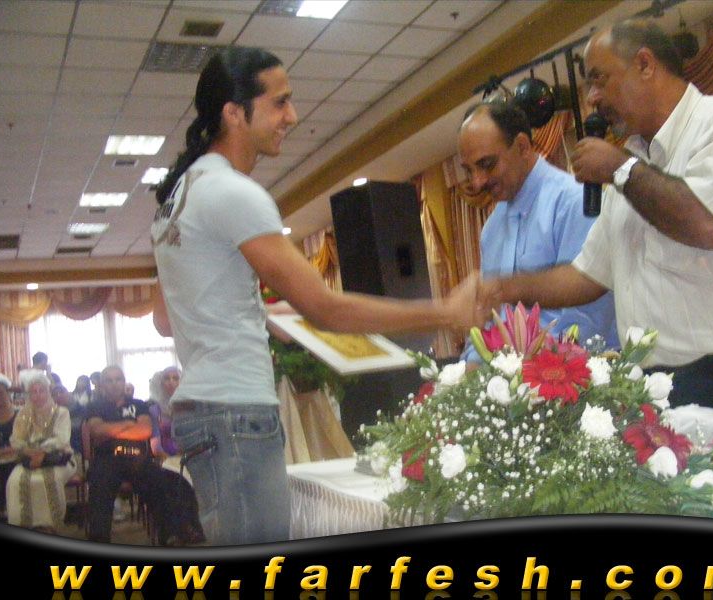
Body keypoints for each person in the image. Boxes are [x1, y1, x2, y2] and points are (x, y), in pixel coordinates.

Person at [151, 46, 485, 546]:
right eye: (280, 103)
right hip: (236, 413)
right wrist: (443, 312)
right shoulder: (232, 192)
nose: (292, 116)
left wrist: (259, 313)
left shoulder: (177, 198)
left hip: (206, 413)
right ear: (234, 113)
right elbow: (325, 307)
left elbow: (165, 317)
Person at [480, 19, 713, 449]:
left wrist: (620, 169)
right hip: (662, 387)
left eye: (598, 80)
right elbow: (587, 275)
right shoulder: (632, 165)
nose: (592, 98)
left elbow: (706, 223)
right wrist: (501, 289)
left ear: (645, 64)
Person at [457, 100, 618, 365]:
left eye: (487, 164)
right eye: (469, 170)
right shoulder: (491, 230)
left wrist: (520, 372)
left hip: (576, 378)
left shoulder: (574, 202)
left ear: (522, 146)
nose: (477, 181)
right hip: (509, 382)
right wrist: (470, 368)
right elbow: (488, 322)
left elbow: (585, 319)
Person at [83, 365, 202, 545]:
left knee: (159, 481)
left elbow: (145, 430)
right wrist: (129, 424)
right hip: (107, 459)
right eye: (109, 380)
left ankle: (170, 536)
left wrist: (111, 429)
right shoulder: (95, 407)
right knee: (99, 486)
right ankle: (99, 539)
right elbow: (97, 431)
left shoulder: (139, 404)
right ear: (102, 384)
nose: (114, 384)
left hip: (138, 459)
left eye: (118, 379)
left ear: (124, 382)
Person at [5, 373, 76, 533]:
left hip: (58, 457)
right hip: (29, 457)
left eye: (42, 390)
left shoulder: (61, 412)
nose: (38, 395)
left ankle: (49, 526)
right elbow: (16, 439)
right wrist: (29, 451)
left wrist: (40, 450)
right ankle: (23, 524)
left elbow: (61, 439)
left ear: (48, 391)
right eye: (34, 392)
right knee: (15, 480)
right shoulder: (23, 414)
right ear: (29, 395)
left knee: (49, 479)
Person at [0, 374, 18, 518]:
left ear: (8, 393)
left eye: (0, 393)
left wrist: (11, 450)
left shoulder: (21, 415)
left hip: (17, 458)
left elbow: (28, 440)